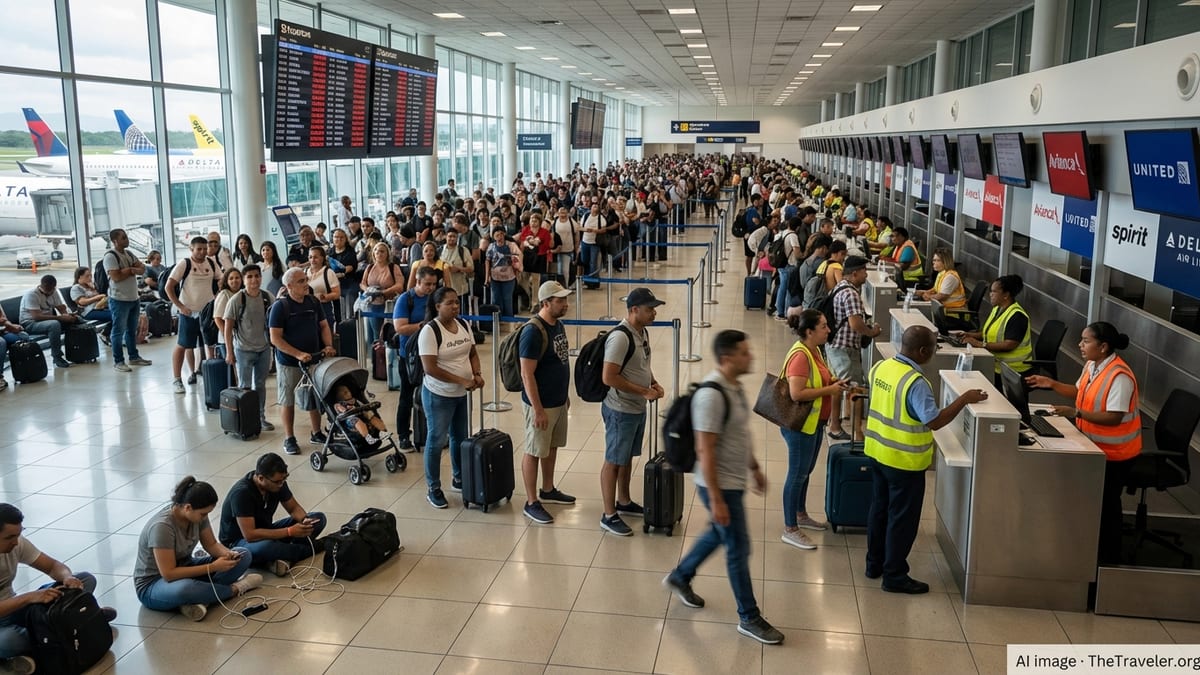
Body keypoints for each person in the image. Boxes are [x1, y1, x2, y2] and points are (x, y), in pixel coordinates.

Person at [663, 330, 784, 646]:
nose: (751, 356)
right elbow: (705, 449)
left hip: (733, 481)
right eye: (744, 352)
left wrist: (754, 467)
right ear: (727, 358)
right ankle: (749, 616)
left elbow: (739, 434)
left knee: (719, 534)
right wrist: (716, 500)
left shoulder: (735, 388)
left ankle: (680, 576)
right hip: (718, 485)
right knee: (738, 548)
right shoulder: (711, 396)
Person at [865, 326, 987, 594]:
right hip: (904, 461)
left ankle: (874, 564)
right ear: (922, 351)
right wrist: (965, 399)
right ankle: (894, 575)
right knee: (902, 520)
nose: (934, 352)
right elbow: (934, 421)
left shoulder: (881, 367)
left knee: (879, 510)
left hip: (877, 452)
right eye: (933, 348)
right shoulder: (916, 382)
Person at [1026, 322, 1142, 565]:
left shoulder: (1120, 376)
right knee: (1091, 501)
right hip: (1093, 445)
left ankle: (1108, 560)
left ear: (1103, 346)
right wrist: (1052, 384)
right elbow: (1079, 391)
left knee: (1107, 507)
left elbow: (1114, 417)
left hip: (1116, 454)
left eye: (1086, 341)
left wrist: (1076, 413)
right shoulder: (1092, 365)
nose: (1080, 345)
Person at [0, 503, 116, 674]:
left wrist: (67, 577)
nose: (15, 542)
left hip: (17, 606)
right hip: (8, 613)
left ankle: (65, 626)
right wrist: (30, 597)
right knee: (11, 641)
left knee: (85, 579)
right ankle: (79, 621)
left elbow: (52, 566)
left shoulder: (17, 543)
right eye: (10, 537)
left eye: (19, 534)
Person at [133, 477, 263, 622]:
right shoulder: (162, 527)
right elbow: (169, 574)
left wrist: (229, 554)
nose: (205, 517)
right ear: (188, 507)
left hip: (186, 568)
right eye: (203, 514)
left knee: (244, 554)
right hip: (155, 584)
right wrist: (213, 567)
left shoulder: (196, 515)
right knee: (185, 589)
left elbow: (211, 544)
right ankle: (235, 589)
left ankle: (199, 598)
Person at [780, 309, 851, 550]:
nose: (828, 330)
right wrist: (829, 391)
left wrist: (833, 382)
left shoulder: (815, 350)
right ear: (809, 332)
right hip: (800, 426)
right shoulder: (801, 356)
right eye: (823, 326)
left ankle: (800, 514)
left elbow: (819, 379)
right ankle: (790, 528)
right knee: (797, 474)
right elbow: (796, 393)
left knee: (806, 471)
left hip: (814, 424)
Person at [599, 288, 666, 536]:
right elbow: (609, 377)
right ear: (634, 310)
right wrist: (643, 391)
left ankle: (624, 501)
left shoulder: (642, 332)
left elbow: (641, 364)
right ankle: (608, 515)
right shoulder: (620, 338)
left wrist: (653, 383)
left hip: (635, 407)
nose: (654, 313)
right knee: (614, 460)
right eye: (650, 309)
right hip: (620, 409)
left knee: (625, 457)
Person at [418, 287, 483, 509]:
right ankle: (433, 488)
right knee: (436, 441)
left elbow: (472, 353)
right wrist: (461, 380)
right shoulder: (430, 331)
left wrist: (476, 374)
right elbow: (430, 368)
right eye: (450, 303)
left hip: (461, 394)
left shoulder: (463, 324)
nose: (455, 306)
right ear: (438, 306)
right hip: (438, 395)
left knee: (460, 437)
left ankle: (459, 477)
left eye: (457, 302)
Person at [518, 281, 577, 525]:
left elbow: (560, 362)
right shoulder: (533, 332)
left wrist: (565, 396)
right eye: (560, 300)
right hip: (540, 404)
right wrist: (538, 409)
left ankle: (548, 488)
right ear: (545, 303)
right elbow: (526, 374)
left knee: (551, 446)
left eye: (565, 299)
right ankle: (531, 501)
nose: (565, 304)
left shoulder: (558, 324)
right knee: (534, 449)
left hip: (557, 401)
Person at [218, 453, 327, 577]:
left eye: (284, 479)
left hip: (266, 530)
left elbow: (293, 508)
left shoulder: (277, 483)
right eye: (278, 482)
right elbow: (250, 535)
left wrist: (304, 520)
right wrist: (290, 532)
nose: (281, 484)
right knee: (267, 547)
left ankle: (282, 557)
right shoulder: (242, 493)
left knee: (318, 519)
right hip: (239, 542)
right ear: (261, 478)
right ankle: (316, 546)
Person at [270, 268, 336, 456]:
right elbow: (275, 338)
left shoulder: (313, 302)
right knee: (287, 399)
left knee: (315, 395)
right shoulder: (280, 307)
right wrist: (297, 354)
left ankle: (316, 432)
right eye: (300, 281)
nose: (306, 284)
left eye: (305, 279)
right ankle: (289, 438)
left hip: (314, 358)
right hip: (289, 362)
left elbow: (324, 326)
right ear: (289, 286)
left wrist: (328, 345)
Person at [826, 256, 883, 441]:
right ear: (855, 273)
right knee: (852, 388)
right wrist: (872, 332)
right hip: (844, 348)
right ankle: (850, 431)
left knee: (841, 385)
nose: (866, 275)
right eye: (864, 271)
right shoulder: (851, 294)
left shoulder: (839, 287)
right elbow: (855, 324)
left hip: (837, 345)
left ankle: (841, 425)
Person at [392, 266, 440, 452]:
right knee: (406, 397)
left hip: (432, 354)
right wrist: (424, 326)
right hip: (410, 357)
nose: (431, 288)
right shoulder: (406, 299)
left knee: (432, 395)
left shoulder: (435, 298)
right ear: (418, 282)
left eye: (434, 284)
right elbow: (400, 328)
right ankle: (404, 435)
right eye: (427, 284)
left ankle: (431, 434)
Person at [223, 264, 275, 431]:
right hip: (243, 349)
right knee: (244, 386)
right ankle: (246, 419)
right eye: (249, 276)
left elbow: (275, 319)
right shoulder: (237, 299)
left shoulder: (267, 297)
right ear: (244, 280)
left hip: (264, 348)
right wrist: (229, 352)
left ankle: (260, 417)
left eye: (257, 276)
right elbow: (227, 327)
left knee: (260, 384)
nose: (254, 280)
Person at [955, 275, 1032, 386]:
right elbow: (987, 333)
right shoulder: (997, 309)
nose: (990, 294)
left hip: (1013, 371)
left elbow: (1009, 345)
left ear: (1006, 295)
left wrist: (980, 344)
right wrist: (969, 335)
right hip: (996, 364)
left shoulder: (1017, 316)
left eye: (994, 292)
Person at [103, 228, 153, 373]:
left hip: (133, 298)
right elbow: (116, 277)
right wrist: (131, 270)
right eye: (123, 238)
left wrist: (128, 270)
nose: (127, 240)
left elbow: (142, 268)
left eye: (126, 237)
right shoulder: (111, 256)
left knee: (131, 330)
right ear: (115, 241)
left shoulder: (129, 254)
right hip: (119, 299)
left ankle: (134, 356)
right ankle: (118, 361)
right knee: (118, 331)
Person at [19, 274, 80, 369]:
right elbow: (37, 316)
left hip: (48, 320)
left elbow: (60, 307)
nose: (49, 292)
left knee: (74, 320)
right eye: (47, 290)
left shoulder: (53, 292)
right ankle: (57, 356)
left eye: (51, 289)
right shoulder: (31, 295)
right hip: (30, 323)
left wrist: (67, 315)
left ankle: (75, 351)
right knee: (54, 325)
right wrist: (60, 318)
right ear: (42, 285)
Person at [360, 242, 405, 344]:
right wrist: (368, 290)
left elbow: (399, 286)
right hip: (372, 302)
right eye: (376, 251)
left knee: (386, 334)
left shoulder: (393, 267)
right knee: (373, 334)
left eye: (382, 251)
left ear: (387, 254)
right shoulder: (370, 267)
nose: (379, 253)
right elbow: (362, 283)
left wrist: (383, 292)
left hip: (389, 303)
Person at [917, 248, 970, 330]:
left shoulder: (950, 277)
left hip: (952, 313)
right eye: (934, 260)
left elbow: (942, 296)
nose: (934, 263)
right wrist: (922, 292)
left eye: (937, 260)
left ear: (945, 262)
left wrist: (928, 297)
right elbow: (935, 290)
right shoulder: (941, 273)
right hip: (943, 310)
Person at [485, 227, 520, 320]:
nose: (499, 237)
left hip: (509, 278)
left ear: (504, 234)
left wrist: (517, 272)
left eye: (501, 234)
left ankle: (509, 322)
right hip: (495, 278)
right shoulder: (491, 246)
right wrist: (487, 278)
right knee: (495, 300)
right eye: (497, 235)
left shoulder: (511, 245)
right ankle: (497, 321)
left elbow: (518, 259)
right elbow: (488, 261)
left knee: (507, 300)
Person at [211, 267, 243, 361]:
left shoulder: (243, 293)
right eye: (231, 278)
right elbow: (217, 318)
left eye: (237, 278)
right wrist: (228, 337)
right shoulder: (224, 294)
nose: (234, 280)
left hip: (241, 339)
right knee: (233, 366)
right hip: (227, 341)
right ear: (226, 281)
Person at [306, 246, 341, 328]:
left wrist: (324, 296)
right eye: (310, 257)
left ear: (322, 258)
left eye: (315, 257)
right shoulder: (305, 272)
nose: (312, 260)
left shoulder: (328, 273)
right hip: (309, 309)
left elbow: (337, 294)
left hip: (324, 309)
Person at [329, 229, 360, 321]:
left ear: (345, 239)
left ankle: (349, 321)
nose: (338, 239)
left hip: (348, 282)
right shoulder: (330, 252)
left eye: (341, 237)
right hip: (333, 282)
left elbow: (350, 267)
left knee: (349, 294)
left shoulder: (350, 251)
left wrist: (340, 274)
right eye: (336, 237)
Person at [70, 265, 112, 330]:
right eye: (87, 276)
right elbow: (82, 302)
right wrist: (96, 297)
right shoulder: (76, 288)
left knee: (120, 312)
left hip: (99, 308)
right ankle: (107, 331)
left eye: (90, 276)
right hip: (88, 311)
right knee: (116, 315)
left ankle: (108, 331)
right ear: (80, 276)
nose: (90, 278)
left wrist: (93, 289)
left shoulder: (90, 286)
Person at [0, 305, 32, 392]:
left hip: (2, 330)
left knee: (23, 336)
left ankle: (26, 372)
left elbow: (3, 319)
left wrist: (11, 327)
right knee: (1, 343)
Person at [439, 230, 473, 299]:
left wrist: (459, 269)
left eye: (454, 236)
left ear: (457, 238)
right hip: (443, 288)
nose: (452, 238)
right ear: (446, 237)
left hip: (460, 289)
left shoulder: (463, 250)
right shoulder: (439, 250)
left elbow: (471, 268)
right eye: (450, 236)